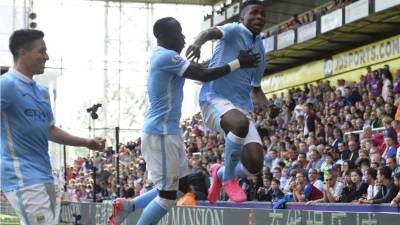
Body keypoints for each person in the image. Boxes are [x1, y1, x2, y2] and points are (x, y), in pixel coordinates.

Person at [108, 17, 260, 225]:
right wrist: (238, 63)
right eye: (179, 33)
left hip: (168, 132)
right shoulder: (166, 57)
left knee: (180, 187)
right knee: (167, 198)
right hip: (160, 133)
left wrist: (229, 62)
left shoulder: (165, 57)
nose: (184, 37)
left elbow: (204, 68)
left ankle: (129, 206)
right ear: (165, 36)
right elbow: (203, 74)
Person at [0, 29, 106, 225]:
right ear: (23, 52)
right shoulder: (6, 85)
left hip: (44, 174)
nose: (46, 57)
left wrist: (87, 142)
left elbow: (50, 130)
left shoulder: (42, 92)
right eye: (42, 51)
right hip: (20, 175)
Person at [185, 0, 267, 204]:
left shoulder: (260, 48)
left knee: (254, 165)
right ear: (242, 18)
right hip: (213, 98)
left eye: (262, 15)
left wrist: (265, 103)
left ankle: (220, 173)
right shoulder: (233, 30)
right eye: (254, 13)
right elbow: (210, 32)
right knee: (239, 124)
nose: (259, 17)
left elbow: (256, 88)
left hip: (241, 107)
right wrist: (197, 43)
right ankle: (230, 176)